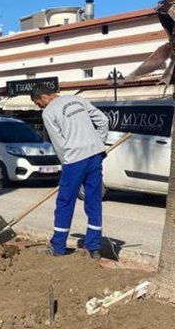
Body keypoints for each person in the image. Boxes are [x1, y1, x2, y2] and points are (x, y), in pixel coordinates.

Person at [31, 88, 109, 260]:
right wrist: (98, 142)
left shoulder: (49, 112)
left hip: (74, 159)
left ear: (44, 97)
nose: (39, 107)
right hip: (95, 155)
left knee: (65, 201)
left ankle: (58, 247)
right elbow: (103, 120)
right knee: (94, 201)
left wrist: (65, 163)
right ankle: (94, 248)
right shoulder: (78, 100)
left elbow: (58, 143)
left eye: (38, 104)